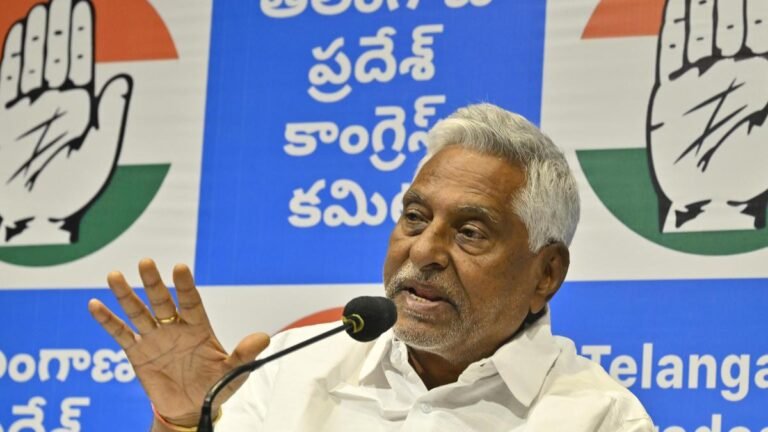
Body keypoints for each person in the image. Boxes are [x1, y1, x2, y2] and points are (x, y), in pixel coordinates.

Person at [88, 103, 654, 431]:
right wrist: (185, 421)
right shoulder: (291, 372)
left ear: (547, 274)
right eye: (414, 217)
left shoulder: (600, 418)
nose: (425, 252)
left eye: (470, 232)